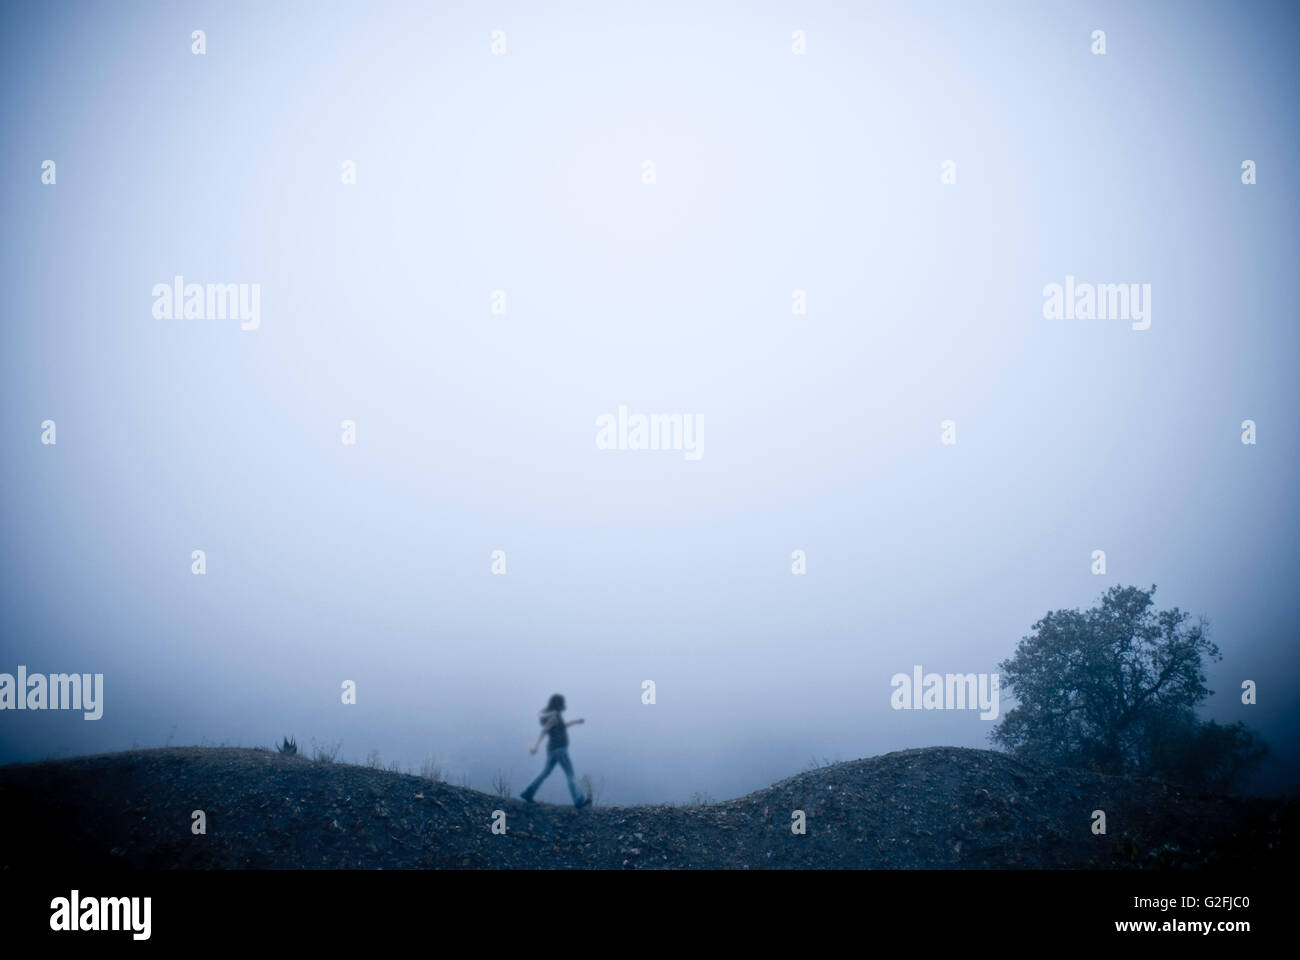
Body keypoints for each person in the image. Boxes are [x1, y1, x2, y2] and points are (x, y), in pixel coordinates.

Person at [520, 693, 587, 807]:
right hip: (560, 749)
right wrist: (535, 746)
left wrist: (576, 721)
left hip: (552, 750)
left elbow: (562, 726)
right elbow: (544, 730)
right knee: (570, 775)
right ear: (558, 704)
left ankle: (528, 793)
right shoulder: (555, 716)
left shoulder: (555, 716)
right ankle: (579, 800)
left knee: (545, 773)